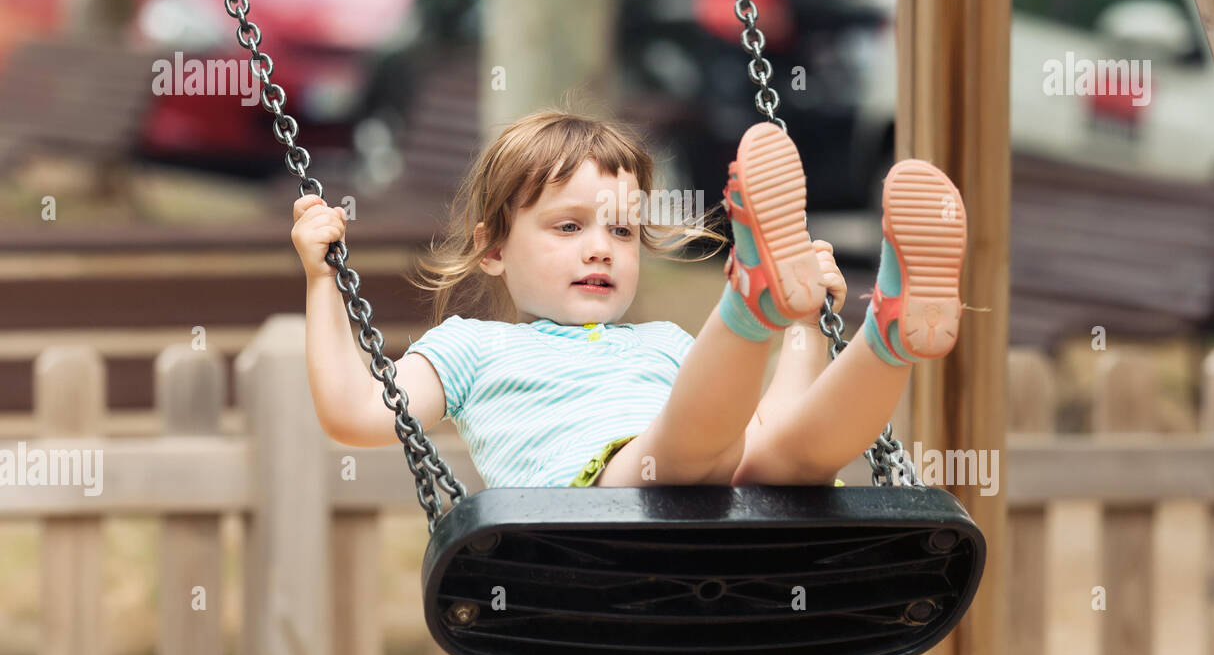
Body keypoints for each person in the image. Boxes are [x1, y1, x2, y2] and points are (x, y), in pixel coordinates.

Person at [291, 108, 966, 490]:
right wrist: (324, 281)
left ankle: (892, 335)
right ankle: (752, 302)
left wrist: (808, 328)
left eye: (621, 229)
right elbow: (356, 414)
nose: (600, 248)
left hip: (725, 507)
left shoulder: (664, 346)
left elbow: (767, 431)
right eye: (567, 226)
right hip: (596, 515)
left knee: (790, 458)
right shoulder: (472, 346)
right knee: (673, 454)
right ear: (492, 248)